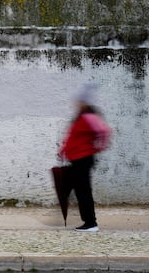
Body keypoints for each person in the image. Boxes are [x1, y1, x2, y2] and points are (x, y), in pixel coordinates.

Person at [59, 82, 111, 232]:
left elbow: (104, 131)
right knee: (78, 189)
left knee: (83, 191)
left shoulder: (89, 117)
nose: (76, 104)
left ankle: (90, 223)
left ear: (84, 103)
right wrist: (64, 150)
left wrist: (97, 147)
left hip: (83, 159)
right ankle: (87, 221)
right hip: (76, 159)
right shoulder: (81, 117)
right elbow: (73, 137)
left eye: (79, 101)